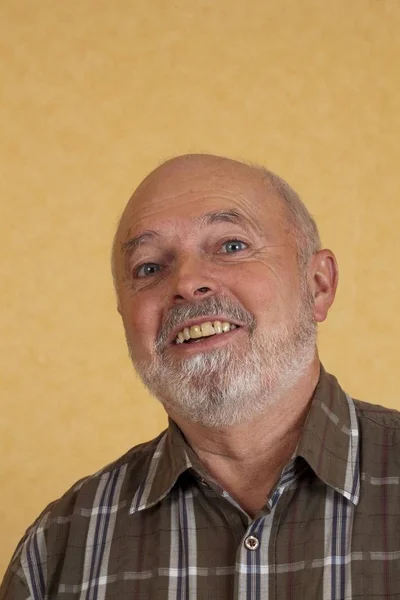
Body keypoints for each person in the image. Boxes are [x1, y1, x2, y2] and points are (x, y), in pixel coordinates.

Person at [1, 154, 399, 600]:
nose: (188, 283)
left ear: (318, 284)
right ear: (125, 319)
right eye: (149, 267)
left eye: (231, 246)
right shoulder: (56, 551)